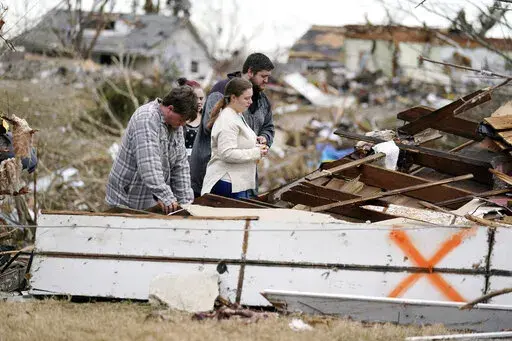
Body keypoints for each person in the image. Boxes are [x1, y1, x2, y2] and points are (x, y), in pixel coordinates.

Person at [190, 52, 275, 197]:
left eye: (268, 76)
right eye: (263, 76)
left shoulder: (262, 99)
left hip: (243, 175)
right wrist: (251, 145)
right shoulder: (222, 91)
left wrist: (263, 138)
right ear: (250, 72)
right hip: (218, 175)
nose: (266, 80)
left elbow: (269, 126)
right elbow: (210, 126)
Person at [105, 86, 198, 214]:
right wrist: (166, 196)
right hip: (125, 199)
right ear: (170, 108)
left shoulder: (176, 127)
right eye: (181, 120)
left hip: (148, 199)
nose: (182, 124)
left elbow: (180, 166)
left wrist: (186, 203)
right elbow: (149, 165)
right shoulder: (146, 119)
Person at [201, 78, 268, 198]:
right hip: (227, 184)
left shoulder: (237, 114)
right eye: (246, 98)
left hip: (236, 183)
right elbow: (227, 153)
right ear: (233, 98)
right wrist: (256, 152)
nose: (250, 101)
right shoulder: (227, 119)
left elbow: (238, 141)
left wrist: (255, 142)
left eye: (251, 97)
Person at [176, 78, 205, 163]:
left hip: (201, 165)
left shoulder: (206, 118)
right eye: (196, 98)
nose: (199, 102)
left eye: (201, 98)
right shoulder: (177, 119)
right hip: (181, 163)